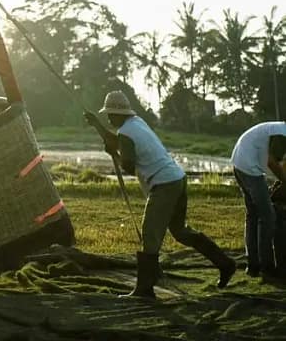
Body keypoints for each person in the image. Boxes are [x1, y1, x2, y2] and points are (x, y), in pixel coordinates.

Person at [86, 91, 235, 298]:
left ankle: (145, 288)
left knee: (150, 234)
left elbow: (128, 165)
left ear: (119, 114)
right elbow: (118, 141)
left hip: (164, 184)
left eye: (110, 115)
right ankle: (225, 263)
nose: (109, 119)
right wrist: (97, 126)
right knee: (180, 232)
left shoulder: (126, 133)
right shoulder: (136, 123)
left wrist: (115, 154)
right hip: (177, 178)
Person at [231, 121, 286, 280]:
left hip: (239, 163)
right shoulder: (282, 134)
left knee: (253, 214)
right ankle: (266, 267)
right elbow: (272, 162)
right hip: (249, 168)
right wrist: (284, 181)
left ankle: (253, 265)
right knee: (268, 217)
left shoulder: (279, 129)